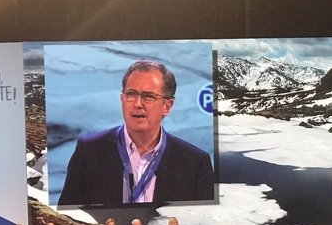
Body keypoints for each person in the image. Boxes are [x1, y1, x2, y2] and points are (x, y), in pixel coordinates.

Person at [58, 60, 215, 206]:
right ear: (122, 99)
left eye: (148, 97)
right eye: (131, 94)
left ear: (167, 106)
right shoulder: (89, 151)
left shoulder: (195, 163)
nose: (137, 104)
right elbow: (66, 215)